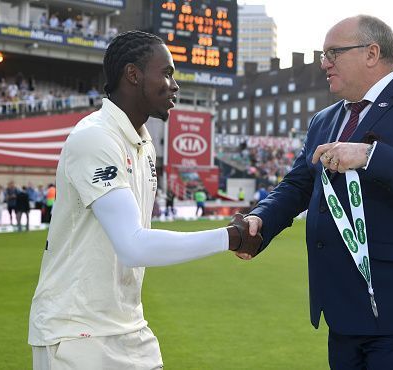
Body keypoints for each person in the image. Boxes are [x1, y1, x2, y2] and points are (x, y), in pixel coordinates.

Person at [232, 15, 393, 369]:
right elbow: (299, 183)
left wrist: (370, 156)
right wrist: (260, 219)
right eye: (323, 54)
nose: (324, 63)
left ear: (372, 53)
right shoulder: (324, 119)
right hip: (344, 313)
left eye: (333, 53)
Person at [28, 30, 261, 370]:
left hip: (129, 326)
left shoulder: (144, 144)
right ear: (133, 75)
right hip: (78, 331)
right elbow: (133, 246)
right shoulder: (95, 137)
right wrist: (231, 237)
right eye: (166, 72)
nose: (174, 85)